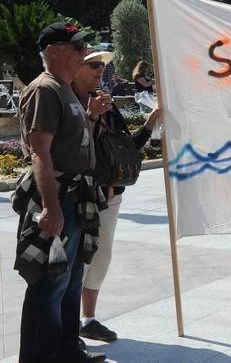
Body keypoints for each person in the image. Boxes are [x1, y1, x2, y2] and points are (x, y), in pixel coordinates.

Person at [13, 22, 106, 362]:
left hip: (75, 201)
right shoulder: (45, 90)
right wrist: (50, 208)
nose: (85, 53)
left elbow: (76, 146)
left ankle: (67, 350)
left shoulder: (66, 89)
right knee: (49, 284)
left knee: (68, 281)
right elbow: (40, 151)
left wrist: (92, 117)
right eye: (78, 47)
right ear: (53, 51)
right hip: (60, 201)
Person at [71, 49, 161, 343]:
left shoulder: (108, 105)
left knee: (101, 257)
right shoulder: (67, 101)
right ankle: (67, 324)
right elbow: (70, 147)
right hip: (80, 195)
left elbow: (126, 148)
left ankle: (89, 319)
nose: (100, 70)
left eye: (102, 66)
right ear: (76, 67)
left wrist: (149, 124)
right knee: (75, 262)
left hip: (110, 197)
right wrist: (90, 116)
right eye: (93, 65)